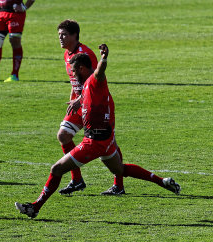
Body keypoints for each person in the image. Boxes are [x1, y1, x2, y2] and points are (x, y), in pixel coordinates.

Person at [15, 44, 181, 218]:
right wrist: (79, 100)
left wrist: (104, 58)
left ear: (81, 68)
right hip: (106, 140)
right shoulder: (87, 85)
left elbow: (100, 71)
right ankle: (162, 181)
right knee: (120, 169)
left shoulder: (95, 79)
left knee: (56, 169)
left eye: (74, 70)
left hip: (94, 142)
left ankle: (35, 207)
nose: (72, 74)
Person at [56, 20, 124, 196]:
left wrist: (80, 98)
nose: (61, 38)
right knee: (63, 135)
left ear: (74, 35)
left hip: (96, 105)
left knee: (110, 144)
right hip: (79, 104)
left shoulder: (86, 54)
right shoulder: (66, 55)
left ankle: (119, 185)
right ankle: (76, 180)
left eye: (64, 34)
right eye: (59, 35)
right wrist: (73, 99)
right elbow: (76, 82)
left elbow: (93, 81)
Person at [0, 0, 35, 83]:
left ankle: (14, 75)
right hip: (1, 13)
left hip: (15, 14)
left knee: (14, 41)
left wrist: (24, 7)